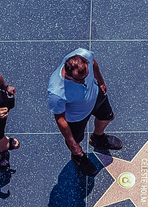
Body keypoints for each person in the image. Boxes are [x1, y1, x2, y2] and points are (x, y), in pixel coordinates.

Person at [48, 48, 123, 176]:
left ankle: (98, 138)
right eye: (78, 80)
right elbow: (60, 118)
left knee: (107, 117)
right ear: (68, 73)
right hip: (76, 116)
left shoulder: (85, 55)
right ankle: (78, 157)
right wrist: (73, 144)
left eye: (86, 76)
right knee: (76, 141)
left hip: (95, 96)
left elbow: (94, 64)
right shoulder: (57, 92)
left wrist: (101, 82)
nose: (83, 82)